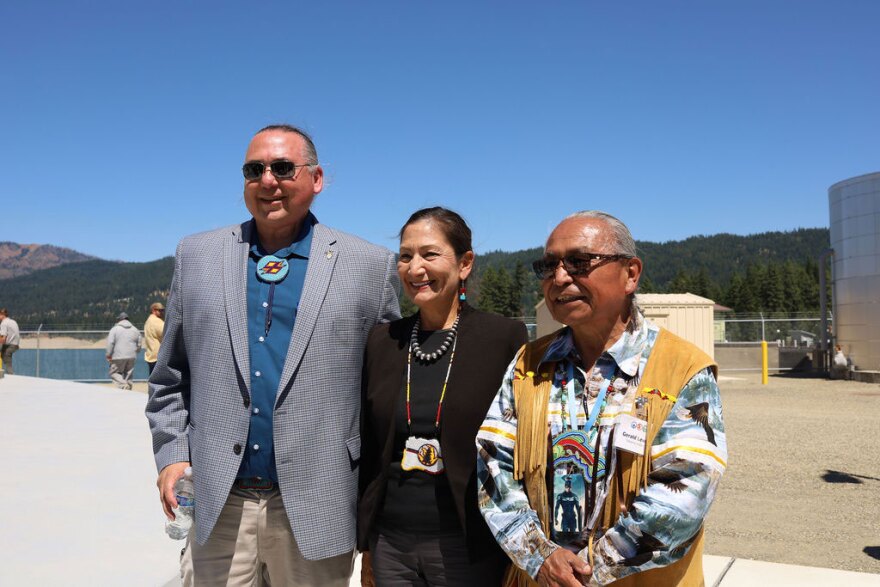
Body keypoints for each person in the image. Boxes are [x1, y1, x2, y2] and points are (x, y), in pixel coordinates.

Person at [145, 124, 400, 586]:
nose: (268, 180)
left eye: (283, 167)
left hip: (317, 504)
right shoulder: (196, 255)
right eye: (254, 169)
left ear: (316, 178)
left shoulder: (369, 266)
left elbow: (384, 394)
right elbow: (169, 377)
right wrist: (173, 456)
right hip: (217, 502)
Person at [477, 211, 727, 586]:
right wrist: (540, 557)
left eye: (579, 262)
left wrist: (588, 571)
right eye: (549, 266)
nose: (560, 277)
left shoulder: (682, 368)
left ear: (631, 274)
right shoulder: (528, 364)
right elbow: (492, 462)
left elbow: (686, 491)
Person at [358, 207, 528, 586]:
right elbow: (370, 446)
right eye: (405, 256)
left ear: (464, 263)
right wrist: (367, 543)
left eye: (429, 254)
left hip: (468, 542)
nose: (415, 267)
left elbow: (518, 446)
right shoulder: (383, 341)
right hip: (391, 543)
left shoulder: (503, 338)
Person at [106, 312, 143, 390]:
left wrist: (108, 354)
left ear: (119, 319)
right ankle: (128, 388)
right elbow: (139, 343)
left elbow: (110, 342)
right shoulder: (135, 329)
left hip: (118, 356)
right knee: (128, 374)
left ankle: (123, 384)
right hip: (132, 355)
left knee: (114, 373)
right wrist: (137, 350)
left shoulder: (115, 329)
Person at [144, 302, 165, 374]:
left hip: (151, 355)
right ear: (153, 310)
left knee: (153, 380)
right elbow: (166, 333)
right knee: (161, 380)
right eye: (160, 310)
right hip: (158, 355)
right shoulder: (156, 321)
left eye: (163, 310)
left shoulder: (149, 320)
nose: (162, 312)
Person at [0, 308, 21, 375]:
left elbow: (3, 339)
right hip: (16, 344)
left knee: (6, 355)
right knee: (3, 353)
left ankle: (11, 375)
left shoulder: (4, 323)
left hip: (10, 345)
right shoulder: (13, 321)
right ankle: (8, 372)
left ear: (2, 315)